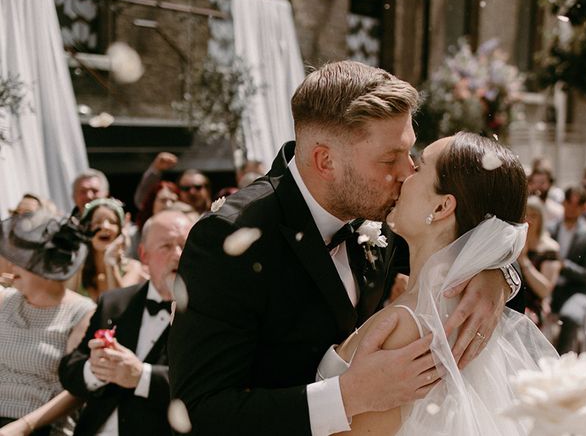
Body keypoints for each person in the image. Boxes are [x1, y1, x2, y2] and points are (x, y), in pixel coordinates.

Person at [169, 61, 518, 436]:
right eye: (389, 159)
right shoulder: (229, 240)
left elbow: (459, 245)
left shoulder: (385, 211)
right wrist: (347, 397)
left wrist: (496, 275)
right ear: (325, 160)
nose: (406, 172)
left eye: (409, 152)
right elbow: (200, 412)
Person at [317, 132, 557, 435]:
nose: (404, 175)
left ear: (442, 207)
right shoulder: (455, 315)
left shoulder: (406, 330)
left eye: (418, 168)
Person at [58, 209, 194, 436]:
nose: (178, 255)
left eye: (184, 245)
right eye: (166, 246)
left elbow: (205, 382)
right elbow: (69, 370)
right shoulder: (115, 302)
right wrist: (96, 369)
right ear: (144, 255)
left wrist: (142, 376)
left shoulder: (208, 310)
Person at [0, 210, 95, 435]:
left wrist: (23, 427)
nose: (11, 266)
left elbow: (77, 390)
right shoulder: (4, 300)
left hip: (42, 427)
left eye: (20, 260)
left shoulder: (82, 312)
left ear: (46, 267)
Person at [548, 186, 586, 354]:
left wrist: (564, 266)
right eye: (569, 203)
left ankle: (561, 363)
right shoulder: (550, 229)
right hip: (548, 288)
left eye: (577, 204)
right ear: (563, 203)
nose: (571, 208)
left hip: (577, 290)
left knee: (571, 316)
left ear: (584, 207)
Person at [69, 199, 146, 301]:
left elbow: (118, 305)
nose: (105, 227)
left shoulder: (133, 268)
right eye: (97, 222)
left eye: (112, 222)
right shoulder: (77, 269)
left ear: (120, 231)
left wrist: (111, 262)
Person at [518, 197, 561, 327]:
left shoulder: (549, 249)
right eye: (525, 215)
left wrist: (523, 261)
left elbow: (544, 290)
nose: (528, 220)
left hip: (534, 306)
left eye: (534, 216)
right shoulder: (512, 243)